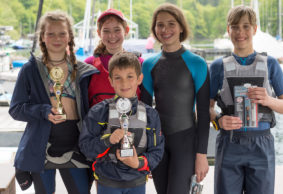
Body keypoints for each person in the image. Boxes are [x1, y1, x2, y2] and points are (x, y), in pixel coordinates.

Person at [9, 10, 98, 194]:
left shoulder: (83, 71)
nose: (56, 38)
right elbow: (16, 109)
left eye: (62, 33)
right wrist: (43, 111)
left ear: (70, 36)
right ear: (42, 37)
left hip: (76, 145)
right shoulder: (30, 69)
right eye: (51, 33)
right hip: (42, 145)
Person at [209, 5, 283, 194]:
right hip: (229, 143)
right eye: (235, 27)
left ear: (255, 29)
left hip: (261, 144)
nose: (240, 32)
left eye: (246, 26)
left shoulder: (270, 64)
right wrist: (218, 120)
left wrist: (268, 100)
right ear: (228, 30)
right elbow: (205, 108)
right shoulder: (217, 67)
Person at [141, 3, 210, 194]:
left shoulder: (197, 63)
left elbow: (203, 114)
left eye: (171, 24)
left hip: (185, 142)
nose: (165, 29)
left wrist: (201, 155)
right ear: (155, 29)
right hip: (157, 143)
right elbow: (144, 110)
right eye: (160, 25)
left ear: (181, 27)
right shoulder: (148, 65)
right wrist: (144, 151)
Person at [79, 52, 164, 194]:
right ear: (111, 81)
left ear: (139, 79)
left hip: (137, 182)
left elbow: (157, 151)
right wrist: (108, 140)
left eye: (130, 77)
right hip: (107, 181)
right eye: (118, 78)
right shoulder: (98, 112)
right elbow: (85, 147)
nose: (124, 83)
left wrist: (138, 162)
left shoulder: (151, 115)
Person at [85, 8, 144, 107]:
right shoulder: (89, 64)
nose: (112, 36)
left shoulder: (139, 63)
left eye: (117, 30)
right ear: (99, 33)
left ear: (126, 31)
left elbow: (145, 102)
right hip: (97, 121)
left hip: (132, 121)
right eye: (106, 31)